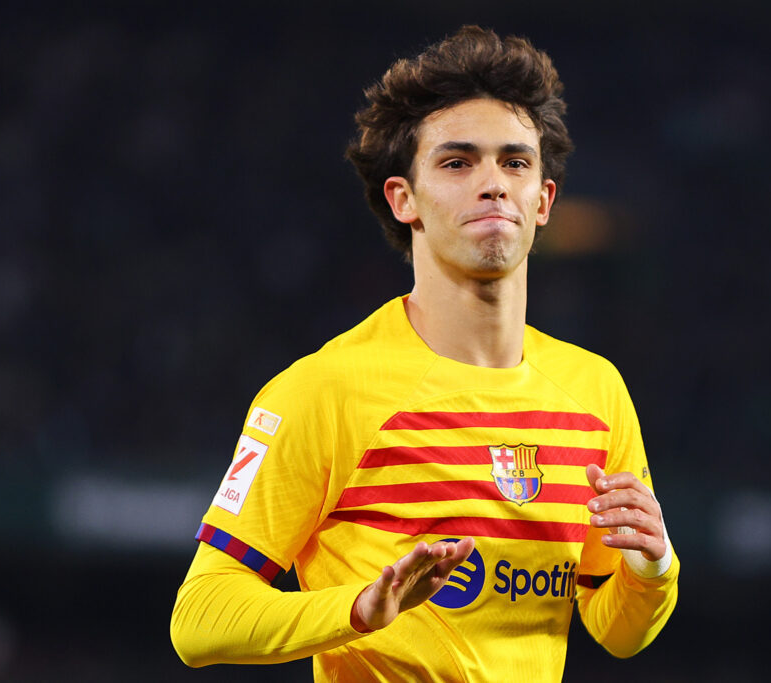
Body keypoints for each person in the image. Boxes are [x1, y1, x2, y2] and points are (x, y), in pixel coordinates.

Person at [170, 25, 679, 681]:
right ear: (402, 198)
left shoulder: (595, 392)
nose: (493, 183)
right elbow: (200, 615)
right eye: (457, 162)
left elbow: (615, 626)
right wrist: (357, 607)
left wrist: (654, 564)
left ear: (544, 201)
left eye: (516, 162)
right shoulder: (324, 390)